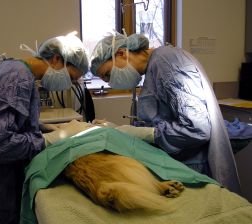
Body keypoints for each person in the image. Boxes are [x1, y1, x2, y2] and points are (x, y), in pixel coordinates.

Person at [0, 32, 88, 224]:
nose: (71, 84)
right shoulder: (19, 78)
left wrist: (44, 127)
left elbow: (4, 120)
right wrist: (45, 141)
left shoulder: (9, 67)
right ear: (57, 59)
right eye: (72, 78)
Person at [90, 32, 241, 194]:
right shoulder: (155, 67)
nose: (110, 82)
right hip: (182, 165)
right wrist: (121, 131)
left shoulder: (166, 63)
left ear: (121, 53)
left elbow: (198, 128)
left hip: (192, 169)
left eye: (107, 74)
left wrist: (147, 134)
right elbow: (164, 116)